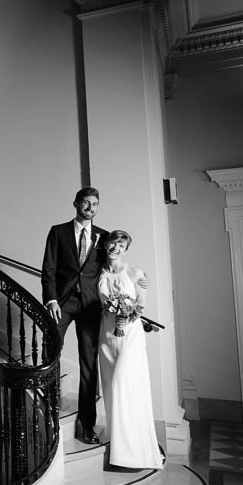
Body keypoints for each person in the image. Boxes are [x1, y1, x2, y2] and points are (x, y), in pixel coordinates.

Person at [41, 187, 109, 445]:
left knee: (89, 365)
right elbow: (48, 267)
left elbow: (112, 266)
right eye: (85, 202)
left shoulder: (103, 236)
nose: (90, 207)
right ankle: (48, 410)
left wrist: (134, 279)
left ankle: (87, 425)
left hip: (91, 305)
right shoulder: (58, 232)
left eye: (95, 203)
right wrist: (51, 299)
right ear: (76, 204)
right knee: (51, 353)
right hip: (64, 302)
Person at [97, 230, 163, 469]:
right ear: (106, 245)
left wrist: (127, 314)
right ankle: (118, 444)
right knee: (111, 388)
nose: (116, 248)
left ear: (126, 250)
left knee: (125, 383)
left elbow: (141, 305)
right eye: (113, 243)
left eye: (121, 246)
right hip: (106, 335)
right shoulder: (99, 274)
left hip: (130, 335)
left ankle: (134, 451)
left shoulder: (136, 273)